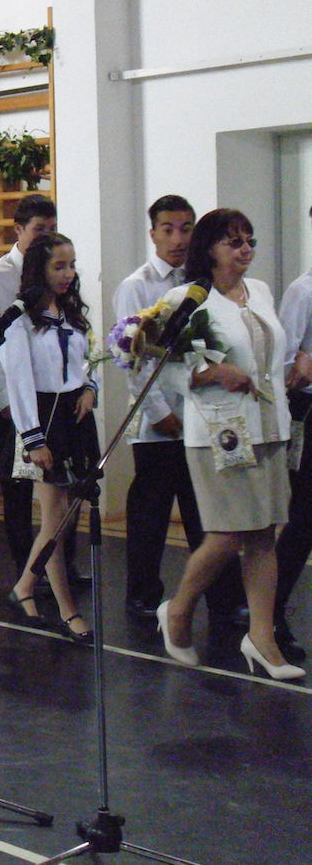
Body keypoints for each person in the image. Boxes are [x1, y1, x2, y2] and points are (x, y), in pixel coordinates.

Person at [158, 209, 303, 679]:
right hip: (220, 431)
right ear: (209, 248)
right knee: (229, 532)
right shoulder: (187, 299)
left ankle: (261, 638)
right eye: (233, 242)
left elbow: (271, 356)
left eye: (249, 241)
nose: (245, 250)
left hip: (269, 427)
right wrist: (213, 372)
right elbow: (162, 368)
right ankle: (178, 608)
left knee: (264, 534)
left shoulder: (259, 291)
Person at [113, 195, 244, 623]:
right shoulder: (136, 285)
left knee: (206, 511)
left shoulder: (203, 282)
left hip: (201, 416)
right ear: (153, 234)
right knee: (151, 511)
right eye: (167, 229)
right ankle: (142, 593)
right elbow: (131, 357)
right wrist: (159, 414)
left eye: (186, 229)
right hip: (158, 420)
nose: (177, 238)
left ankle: (223, 598)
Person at [0, 233, 101, 643]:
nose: (68, 273)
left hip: (75, 418)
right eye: (59, 266)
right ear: (38, 270)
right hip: (44, 419)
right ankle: (66, 609)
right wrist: (34, 438)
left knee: (66, 516)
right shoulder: (20, 320)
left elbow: (86, 361)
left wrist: (90, 388)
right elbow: (19, 382)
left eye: (71, 265)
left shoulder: (71, 313)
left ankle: (25, 586)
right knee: (54, 520)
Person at [0, 193, 59, 574]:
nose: (46, 237)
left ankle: (60, 563)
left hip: (53, 396)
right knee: (19, 486)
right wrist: (6, 396)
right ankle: (26, 566)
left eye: (52, 229)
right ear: (19, 230)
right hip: (14, 398)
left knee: (60, 484)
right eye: (39, 229)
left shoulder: (56, 272)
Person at [275, 206, 312, 663]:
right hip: (308, 411)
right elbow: (285, 368)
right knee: (302, 520)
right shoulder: (303, 290)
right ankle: (272, 611)